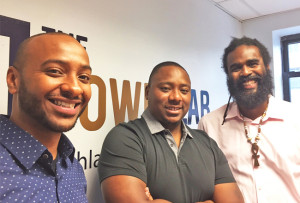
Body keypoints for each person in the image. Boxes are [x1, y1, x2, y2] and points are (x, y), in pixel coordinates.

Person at [98, 61, 244, 203]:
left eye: (184, 91)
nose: (176, 97)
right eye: (166, 89)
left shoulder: (207, 143)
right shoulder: (125, 138)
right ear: (148, 92)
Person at [198, 37, 300, 203]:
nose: (245, 72)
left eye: (252, 63)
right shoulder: (209, 125)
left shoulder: (296, 117)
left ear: (266, 67)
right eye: (236, 68)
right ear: (228, 76)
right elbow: (204, 184)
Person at [0, 33, 92, 202]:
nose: (75, 88)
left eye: (83, 77)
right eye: (55, 72)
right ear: (13, 80)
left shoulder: (73, 167)